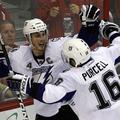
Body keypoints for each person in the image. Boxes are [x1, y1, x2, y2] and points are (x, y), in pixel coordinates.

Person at [10, 20, 120, 120]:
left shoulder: (72, 76)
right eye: (37, 35)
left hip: (80, 113)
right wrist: (112, 31)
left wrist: (26, 85)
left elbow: (49, 95)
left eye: (44, 34)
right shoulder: (102, 54)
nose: (42, 38)